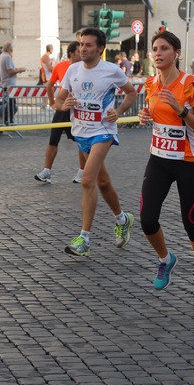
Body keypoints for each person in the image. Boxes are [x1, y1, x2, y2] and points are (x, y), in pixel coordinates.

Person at [138, 30, 194, 299]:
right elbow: (156, 115)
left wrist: (182, 111)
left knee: (190, 221)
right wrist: (144, 115)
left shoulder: (190, 83)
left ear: (177, 53)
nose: (158, 53)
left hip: (188, 162)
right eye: (155, 49)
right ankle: (165, 259)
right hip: (158, 159)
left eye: (164, 48)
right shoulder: (150, 84)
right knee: (147, 220)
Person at [55, 27, 137, 257]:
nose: (82, 48)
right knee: (102, 182)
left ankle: (84, 239)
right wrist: (65, 104)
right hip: (80, 133)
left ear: (100, 49)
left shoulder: (111, 70)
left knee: (87, 180)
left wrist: (118, 111)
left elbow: (131, 93)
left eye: (88, 45)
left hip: (103, 131)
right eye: (81, 44)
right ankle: (123, 219)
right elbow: (58, 100)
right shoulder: (72, 70)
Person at [34, 41, 86, 184]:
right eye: (78, 51)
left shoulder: (84, 67)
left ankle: (82, 172)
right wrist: (52, 102)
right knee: (53, 139)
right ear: (71, 53)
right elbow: (49, 84)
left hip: (77, 109)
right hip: (63, 107)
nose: (81, 53)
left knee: (81, 141)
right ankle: (47, 171)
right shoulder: (61, 66)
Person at [0, 41, 25, 124]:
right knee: (11, 104)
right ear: (10, 49)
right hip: (9, 84)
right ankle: (8, 121)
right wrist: (20, 70)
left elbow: (9, 69)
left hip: (5, 82)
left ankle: (7, 120)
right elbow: (9, 71)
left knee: (10, 103)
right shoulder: (7, 57)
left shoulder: (2, 56)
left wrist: (16, 69)